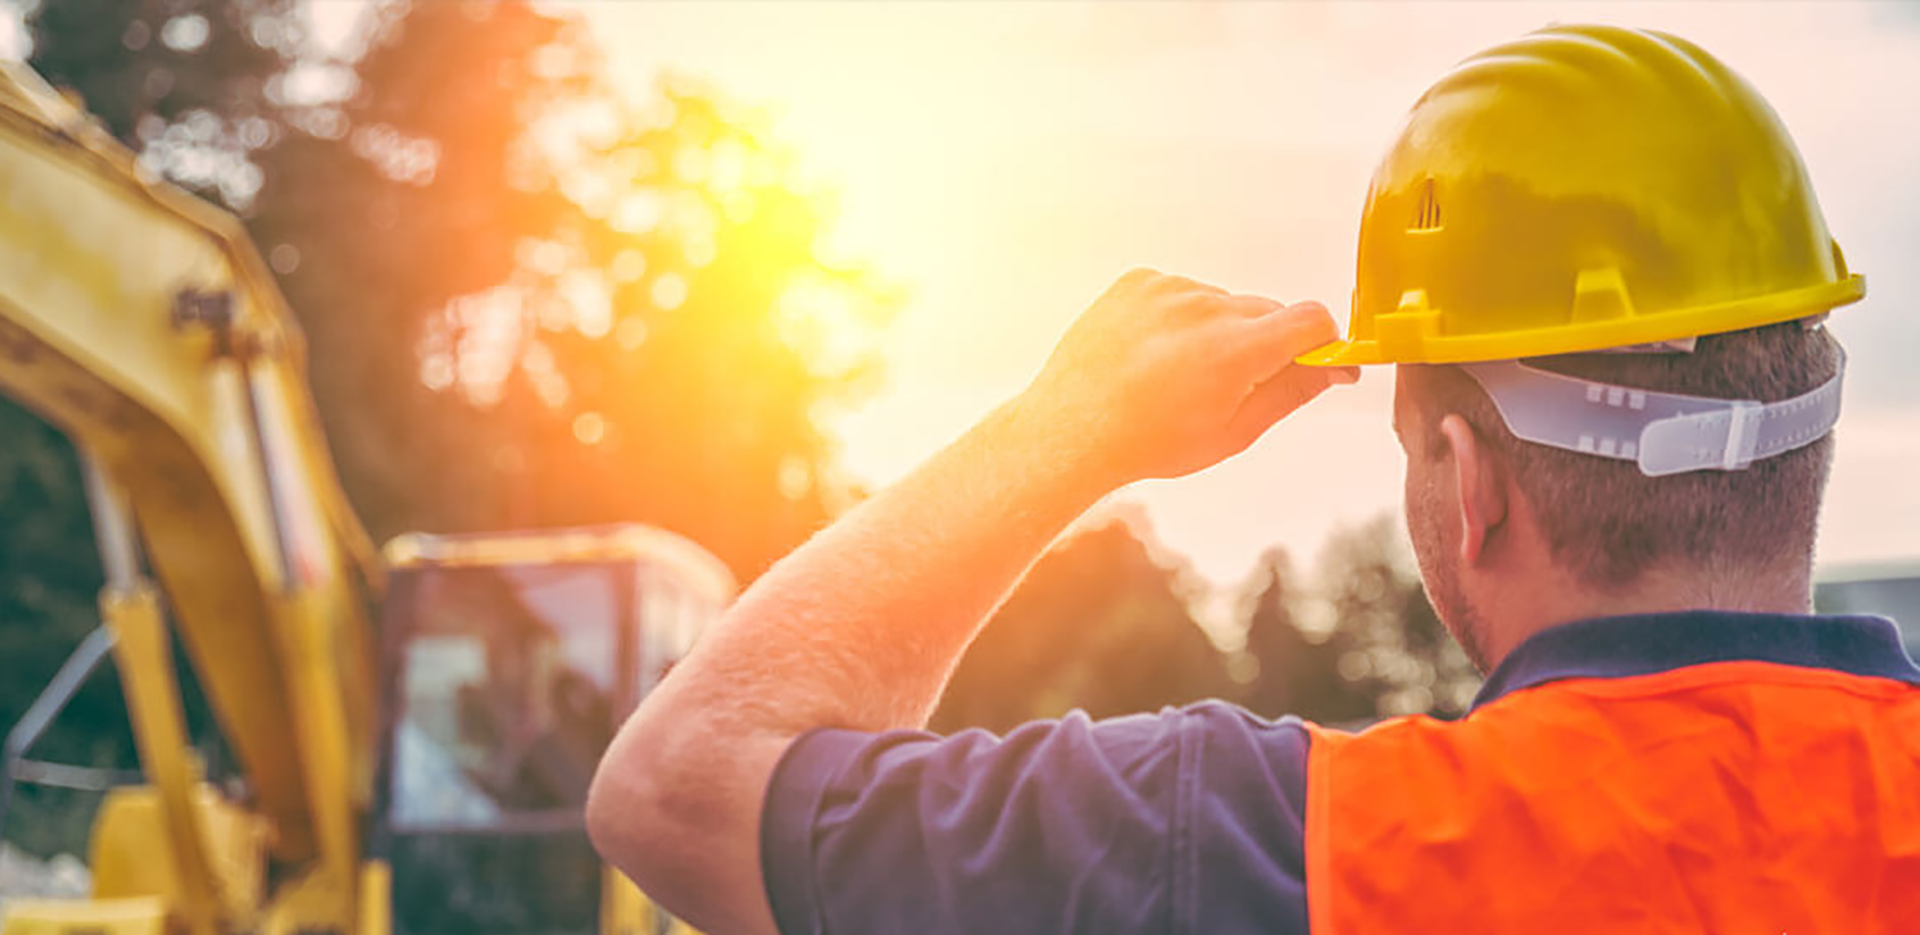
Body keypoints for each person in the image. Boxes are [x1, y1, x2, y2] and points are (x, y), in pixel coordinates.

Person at [586, 24, 1920, 934]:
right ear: (1805, 426)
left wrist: (1071, 429)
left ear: (1468, 482)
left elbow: (678, 787)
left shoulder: (1267, 843)